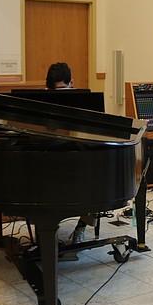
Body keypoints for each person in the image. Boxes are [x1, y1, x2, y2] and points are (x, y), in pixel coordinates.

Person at [43, 62, 93, 244]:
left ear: (72, 83)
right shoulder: (37, 100)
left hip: (76, 154)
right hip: (47, 156)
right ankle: (46, 231)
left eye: (65, 89)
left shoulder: (81, 100)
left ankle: (81, 227)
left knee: (100, 181)